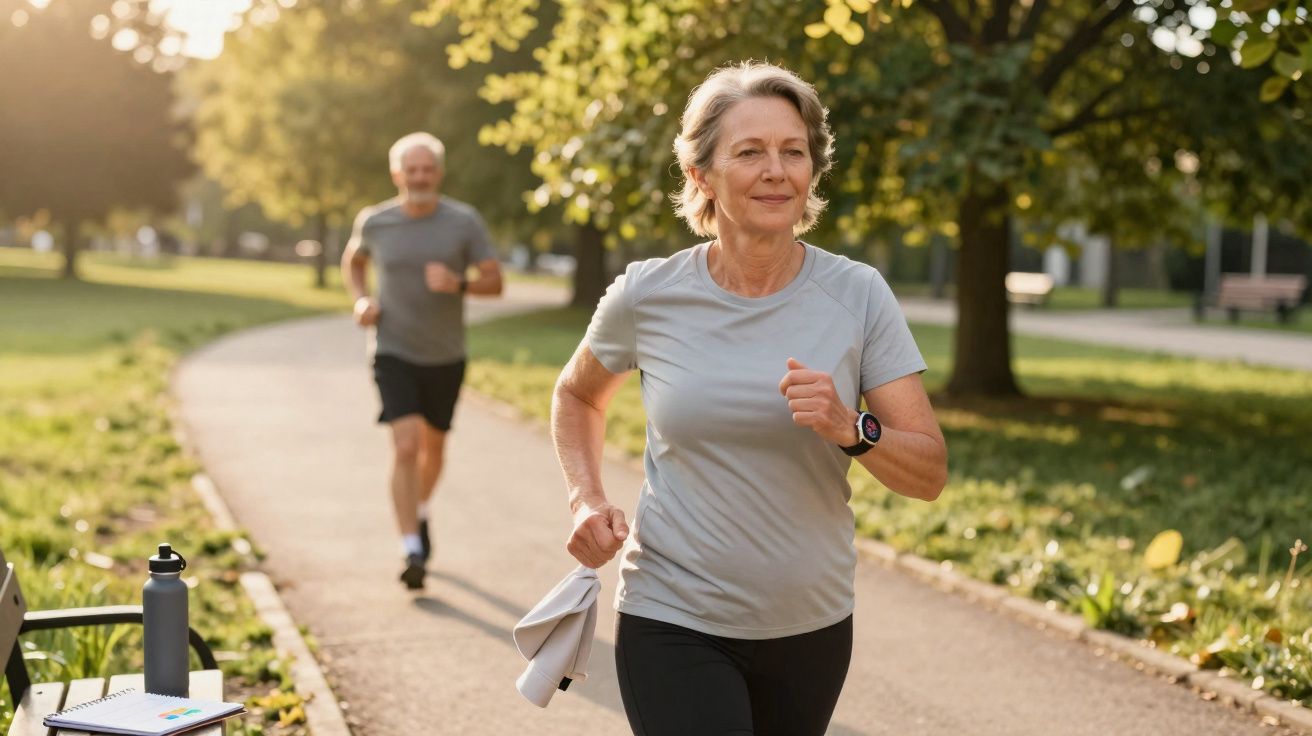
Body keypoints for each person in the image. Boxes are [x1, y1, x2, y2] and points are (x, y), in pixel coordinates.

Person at [551, 62, 948, 735]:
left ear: (812, 172)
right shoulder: (648, 294)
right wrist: (586, 497)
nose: (777, 170)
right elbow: (577, 395)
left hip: (811, 623)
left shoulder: (857, 296)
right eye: (751, 152)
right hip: (671, 614)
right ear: (702, 174)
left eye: (794, 152)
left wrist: (853, 427)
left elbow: (929, 471)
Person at [341, 132, 503, 590]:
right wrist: (360, 300)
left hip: (445, 355)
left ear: (439, 172)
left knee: (434, 449)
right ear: (397, 175)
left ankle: (421, 508)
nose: (419, 177)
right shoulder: (375, 222)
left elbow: (495, 282)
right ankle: (412, 545)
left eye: (426, 169)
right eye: (410, 170)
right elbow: (354, 261)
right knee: (406, 446)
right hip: (392, 349)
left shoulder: (463, 222)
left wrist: (459, 283)